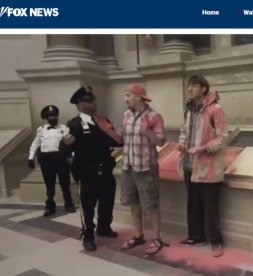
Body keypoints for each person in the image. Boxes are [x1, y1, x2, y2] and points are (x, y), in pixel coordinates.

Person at [61, 85, 121, 251]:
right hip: (87, 173)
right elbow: (65, 149)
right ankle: (88, 235)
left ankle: (104, 227)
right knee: (88, 207)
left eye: (93, 99)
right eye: (89, 101)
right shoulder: (74, 124)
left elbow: (116, 142)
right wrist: (74, 165)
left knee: (107, 202)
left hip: (106, 170)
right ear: (80, 105)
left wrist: (113, 132)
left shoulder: (103, 121)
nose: (93, 103)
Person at [177, 75, 228, 257]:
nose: (189, 89)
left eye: (194, 86)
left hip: (208, 166)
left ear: (203, 88)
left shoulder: (216, 109)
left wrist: (204, 148)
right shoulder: (189, 109)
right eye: (188, 86)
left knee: (210, 206)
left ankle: (216, 241)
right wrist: (182, 143)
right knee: (193, 203)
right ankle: (195, 236)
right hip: (189, 164)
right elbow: (184, 131)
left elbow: (222, 137)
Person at [115, 83, 168, 256]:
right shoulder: (126, 115)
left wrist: (147, 131)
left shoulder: (154, 116)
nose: (125, 99)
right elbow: (121, 138)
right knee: (133, 202)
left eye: (128, 96)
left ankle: (157, 238)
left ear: (139, 97)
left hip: (146, 167)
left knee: (151, 204)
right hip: (129, 166)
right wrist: (108, 131)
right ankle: (138, 235)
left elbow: (160, 142)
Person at [28, 105, 75, 217]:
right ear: (45, 118)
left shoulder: (63, 128)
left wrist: (72, 157)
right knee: (49, 185)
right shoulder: (41, 130)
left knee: (65, 183)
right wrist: (30, 158)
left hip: (61, 158)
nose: (53, 118)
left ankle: (68, 204)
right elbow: (35, 144)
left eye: (55, 116)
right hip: (46, 160)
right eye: (51, 116)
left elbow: (70, 144)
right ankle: (50, 206)